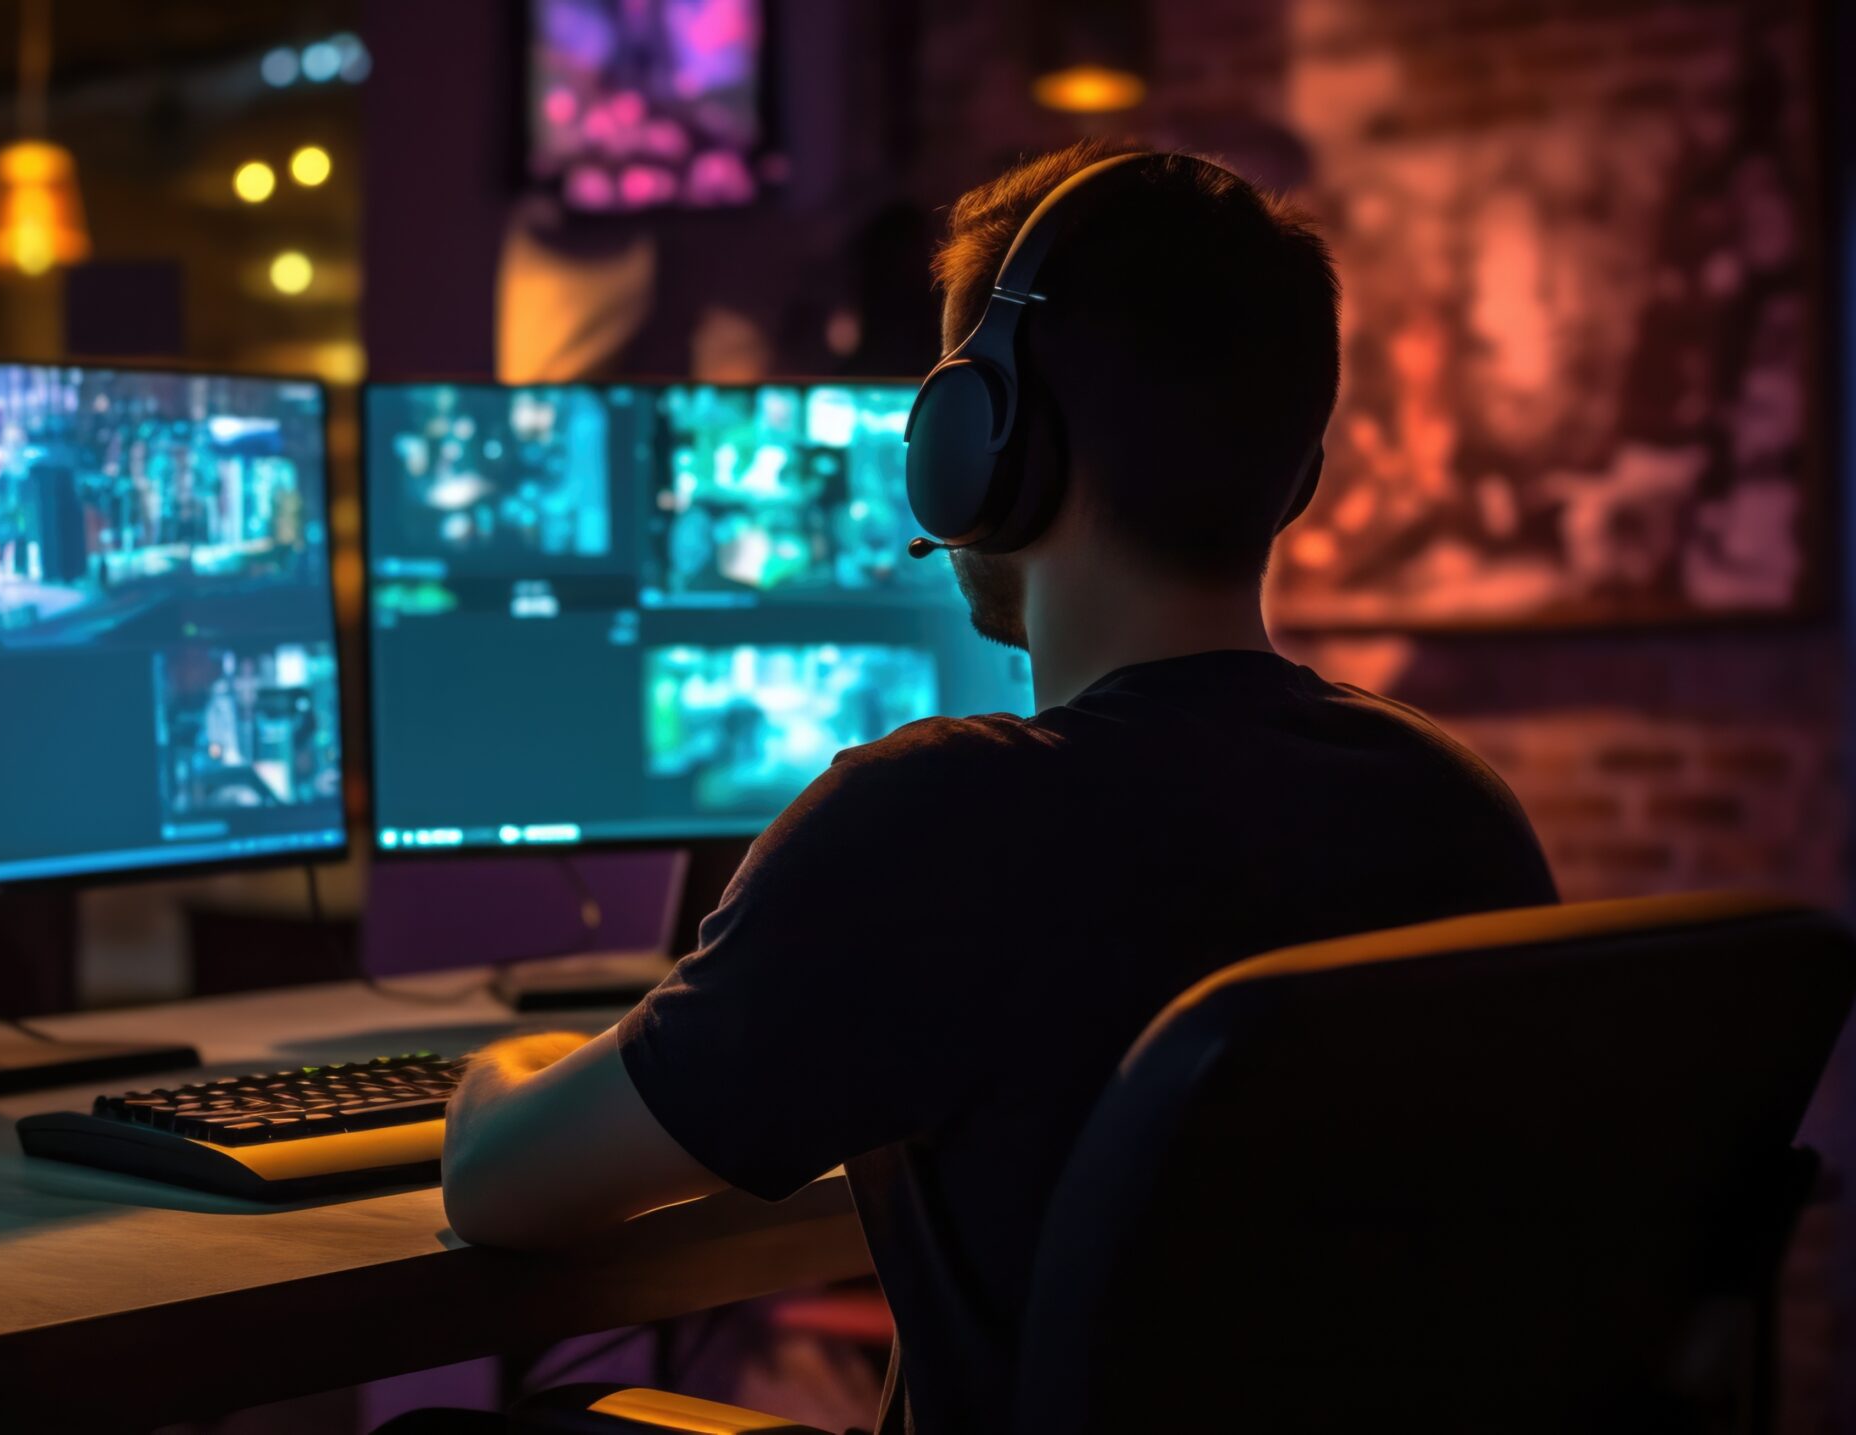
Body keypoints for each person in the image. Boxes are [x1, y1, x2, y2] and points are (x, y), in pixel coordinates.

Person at [432, 144, 1559, 1435]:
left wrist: (503, 1069)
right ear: (1295, 475)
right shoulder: (1457, 810)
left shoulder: (931, 822)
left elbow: (502, 1188)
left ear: (982, 445)